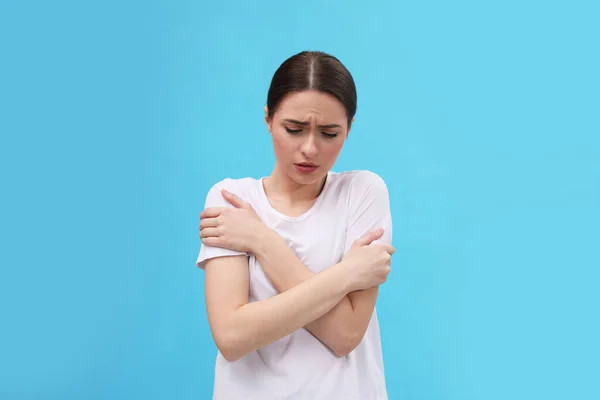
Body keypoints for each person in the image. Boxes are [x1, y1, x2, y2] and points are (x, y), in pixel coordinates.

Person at [196, 50, 395, 400]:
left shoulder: (362, 192)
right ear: (268, 119)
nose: (310, 149)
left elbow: (345, 335)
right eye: (294, 129)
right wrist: (346, 275)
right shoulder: (230, 200)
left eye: (329, 133)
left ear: (349, 129)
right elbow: (231, 337)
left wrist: (262, 241)